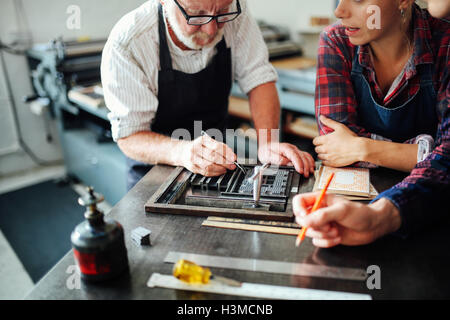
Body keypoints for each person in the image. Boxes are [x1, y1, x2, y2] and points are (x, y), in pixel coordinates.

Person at [101, 0, 314, 190]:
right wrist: (183, 153)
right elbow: (130, 136)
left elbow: (259, 79)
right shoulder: (129, 43)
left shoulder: (233, 9)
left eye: (221, 14)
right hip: (154, 176)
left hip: (217, 173)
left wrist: (268, 143)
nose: (212, 29)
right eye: (196, 15)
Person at [293, 0, 449, 247]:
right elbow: (334, 146)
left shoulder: (445, 42)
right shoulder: (336, 40)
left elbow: (447, 158)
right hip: (356, 204)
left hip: (430, 209)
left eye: (358, 0)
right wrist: (421, 151)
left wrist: (361, 147)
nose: (339, 11)